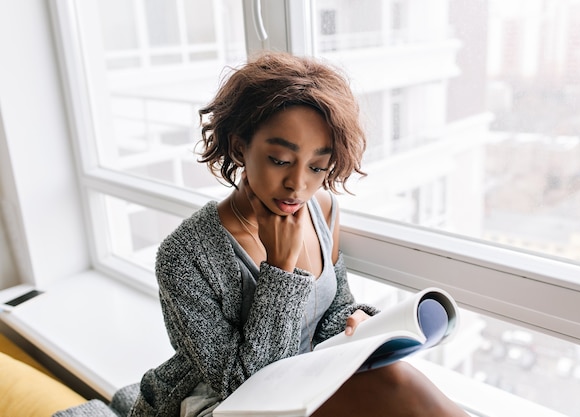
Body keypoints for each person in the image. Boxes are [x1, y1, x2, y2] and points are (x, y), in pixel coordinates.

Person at [57, 51, 470, 417]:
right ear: (239, 148)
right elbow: (247, 388)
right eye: (279, 159)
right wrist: (281, 270)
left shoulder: (323, 210)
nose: (298, 185)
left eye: (317, 166)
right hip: (223, 403)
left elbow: (329, 311)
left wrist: (356, 323)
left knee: (397, 378)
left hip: (307, 380)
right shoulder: (185, 255)